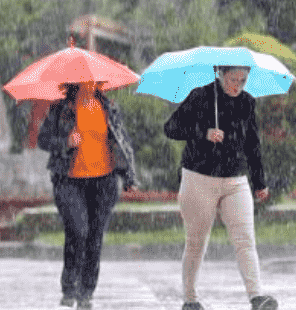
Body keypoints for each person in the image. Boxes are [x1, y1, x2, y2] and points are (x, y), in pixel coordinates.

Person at [164, 66, 277, 310]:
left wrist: (259, 182)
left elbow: (253, 144)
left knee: (245, 239)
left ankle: (257, 296)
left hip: (235, 181)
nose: (237, 85)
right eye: (232, 79)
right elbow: (171, 128)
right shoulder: (200, 96)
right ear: (220, 74)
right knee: (197, 241)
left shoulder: (247, 102)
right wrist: (203, 133)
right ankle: (190, 298)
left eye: (243, 80)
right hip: (199, 178)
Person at [38, 81, 137, 310]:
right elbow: (43, 140)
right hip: (69, 179)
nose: (91, 83)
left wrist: (129, 176)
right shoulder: (62, 109)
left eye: (94, 79)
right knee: (77, 230)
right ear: (76, 81)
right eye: (86, 79)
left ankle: (86, 292)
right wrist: (65, 142)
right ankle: (69, 286)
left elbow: (122, 143)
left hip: (104, 181)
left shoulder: (108, 107)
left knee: (94, 237)